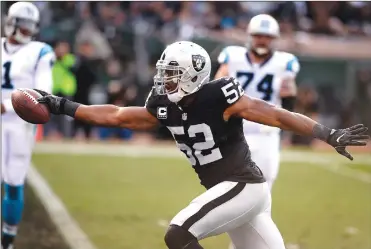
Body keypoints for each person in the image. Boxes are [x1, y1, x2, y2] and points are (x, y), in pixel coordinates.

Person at [34, 41, 368, 249]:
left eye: (173, 73)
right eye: (165, 72)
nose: (165, 80)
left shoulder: (218, 96)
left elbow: (276, 115)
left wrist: (327, 133)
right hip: (235, 193)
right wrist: (60, 104)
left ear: (193, 75)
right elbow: (117, 115)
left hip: (242, 185)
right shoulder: (163, 104)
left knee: (178, 234)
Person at [215, 14, 299, 190]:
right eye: (259, 36)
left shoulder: (284, 62)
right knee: (226, 183)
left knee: (264, 184)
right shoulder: (232, 56)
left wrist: (286, 123)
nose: (262, 41)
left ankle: (257, 217)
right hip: (235, 128)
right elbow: (217, 86)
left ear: (273, 39)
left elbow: (289, 95)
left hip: (266, 130)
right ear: (250, 36)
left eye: (267, 37)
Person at [0, 2, 55, 249]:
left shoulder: (40, 51)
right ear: (11, 22)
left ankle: (7, 240)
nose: (26, 31)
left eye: (30, 26)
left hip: (19, 122)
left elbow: (44, 92)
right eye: (23, 25)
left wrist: (7, 105)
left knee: (13, 180)